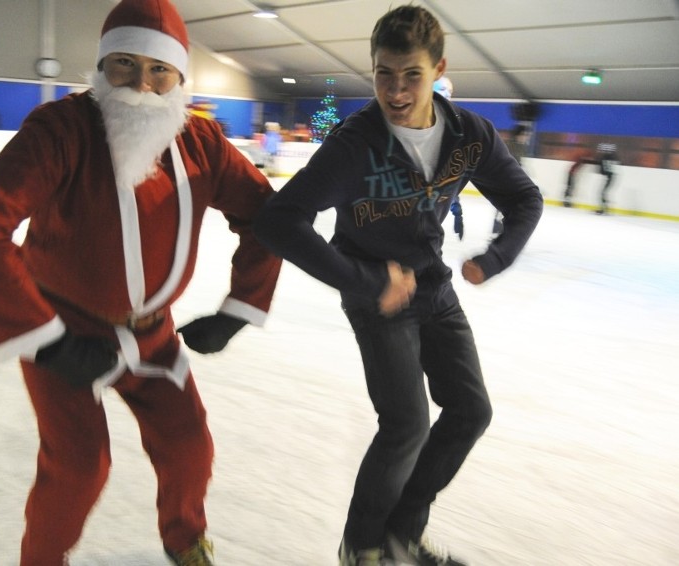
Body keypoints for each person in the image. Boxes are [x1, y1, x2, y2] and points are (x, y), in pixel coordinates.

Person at [0, 1, 281, 565]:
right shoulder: (62, 130)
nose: (141, 86)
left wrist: (240, 307)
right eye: (124, 64)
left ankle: (184, 539)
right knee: (78, 467)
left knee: (189, 448)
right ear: (101, 66)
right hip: (63, 331)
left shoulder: (202, 143)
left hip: (153, 337)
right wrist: (45, 340)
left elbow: (267, 218)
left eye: (159, 70)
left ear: (179, 78)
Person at [254, 5, 542, 566]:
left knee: (470, 412)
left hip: (434, 288)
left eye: (411, 74)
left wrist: (497, 257)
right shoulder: (354, 145)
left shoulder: (468, 135)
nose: (397, 89)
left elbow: (524, 199)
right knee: (406, 423)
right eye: (384, 73)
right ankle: (361, 546)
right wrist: (365, 280)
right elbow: (278, 220)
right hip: (373, 293)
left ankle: (400, 535)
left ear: (438, 69)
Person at [432, 77, 462, 240]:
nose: (447, 95)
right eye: (442, 90)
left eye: (449, 92)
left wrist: (457, 211)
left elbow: (451, 175)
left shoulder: (452, 126)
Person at [594, 142, 620, 214]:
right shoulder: (611, 157)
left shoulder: (604, 158)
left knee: (602, 193)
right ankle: (605, 207)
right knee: (603, 193)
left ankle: (604, 208)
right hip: (611, 177)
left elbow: (602, 169)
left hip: (609, 177)